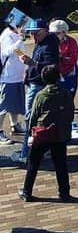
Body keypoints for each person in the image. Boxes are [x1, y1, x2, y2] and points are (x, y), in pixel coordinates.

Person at [18, 63, 74, 201]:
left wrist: (31, 133)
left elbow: (33, 116)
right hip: (60, 133)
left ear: (43, 79)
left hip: (43, 133)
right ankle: (64, 193)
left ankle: (27, 191)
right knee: (61, 164)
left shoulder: (41, 95)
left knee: (33, 162)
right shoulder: (65, 93)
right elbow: (70, 113)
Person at [14, 18, 59, 163]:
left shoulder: (48, 47)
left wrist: (32, 63)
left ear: (45, 31)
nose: (34, 36)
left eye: (37, 33)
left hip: (38, 86)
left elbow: (50, 66)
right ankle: (44, 150)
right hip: (36, 84)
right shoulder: (44, 42)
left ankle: (25, 154)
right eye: (32, 34)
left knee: (30, 119)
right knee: (42, 120)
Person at [0, 15, 27, 143]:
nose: (24, 27)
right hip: (7, 77)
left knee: (15, 104)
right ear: (15, 25)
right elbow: (7, 52)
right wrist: (21, 39)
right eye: (22, 25)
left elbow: (19, 53)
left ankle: (14, 125)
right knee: (3, 106)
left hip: (17, 76)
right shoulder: (7, 35)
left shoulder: (16, 35)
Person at [50, 19, 78, 96]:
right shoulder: (50, 41)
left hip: (69, 72)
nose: (55, 35)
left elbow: (73, 59)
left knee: (69, 95)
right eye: (52, 33)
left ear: (64, 32)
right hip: (55, 72)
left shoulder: (71, 42)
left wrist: (61, 57)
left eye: (57, 33)